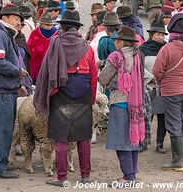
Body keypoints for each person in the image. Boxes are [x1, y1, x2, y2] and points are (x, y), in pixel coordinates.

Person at [34, 10, 97, 187]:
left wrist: (46, 94)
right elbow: (93, 75)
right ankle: (85, 176)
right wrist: (91, 100)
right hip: (83, 93)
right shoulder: (88, 47)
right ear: (77, 28)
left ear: (63, 27)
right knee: (83, 136)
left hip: (60, 91)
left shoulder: (56, 44)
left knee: (60, 137)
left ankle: (61, 177)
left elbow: (47, 70)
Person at [0, 3, 29, 179]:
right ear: (5, 18)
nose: (18, 23)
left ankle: (0, 164)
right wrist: (17, 71)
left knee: (4, 129)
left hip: (2, 89)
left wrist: (17, 83)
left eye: (20, 20)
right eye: (16, 19)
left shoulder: (2, 34)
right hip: (0, 91)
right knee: (2, 130)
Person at [152, 13, 183, 171]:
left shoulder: (167, 48)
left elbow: (156, 71)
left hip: (172, 91)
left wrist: (164, 79)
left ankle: (177, 161)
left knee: (174, 125)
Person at [99, 26, 145, 184]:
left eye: (116, 40)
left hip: (120, 102)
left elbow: (104, 79)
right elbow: (146, 77)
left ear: (120, 42)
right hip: (136, 103)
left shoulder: (116, 56)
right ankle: (132, 173)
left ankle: (128, 177)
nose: (115, 43)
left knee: (121, 141)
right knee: (133, 139)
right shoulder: (138, 54)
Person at [139, 19, 168, 154]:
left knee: (162, 117)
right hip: (147, 87)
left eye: (162, 35)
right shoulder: (143, 49)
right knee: (146, 115)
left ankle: (160, 143)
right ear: (151, 35)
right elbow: (139, 66)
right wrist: (150, 78)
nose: (161, 37)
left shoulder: (166, 48)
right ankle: (143, 141)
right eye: (158, 34)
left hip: (162, 87)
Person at [27, 13, 58, 84]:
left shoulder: (56, 34)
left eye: (50, 25)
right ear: (41, 24)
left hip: (51, 65)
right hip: (37, 64)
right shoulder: (35, 33)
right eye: (46, 25)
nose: (49, 27)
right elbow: (30, 48)